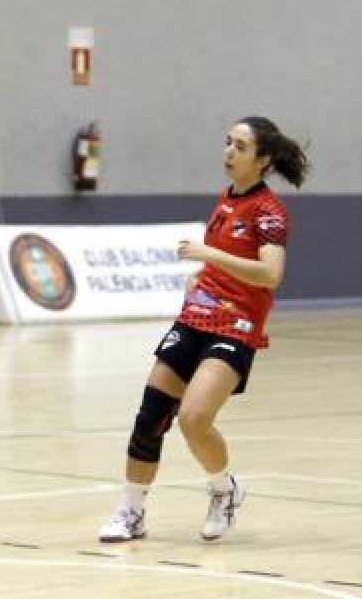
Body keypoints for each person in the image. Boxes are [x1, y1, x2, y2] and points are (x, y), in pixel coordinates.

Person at [98, 117, 309, 543]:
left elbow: (270, 274)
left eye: (241, 147)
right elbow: (228, 260)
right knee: (151, 415)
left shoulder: (270, 212)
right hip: (196, 315)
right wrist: (204, 272)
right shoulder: (226, 198)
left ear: (263, 159)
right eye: (227, 143)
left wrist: (210, 253)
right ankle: (132, 510)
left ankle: (224, 490)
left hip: (237, 326)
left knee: (195, 418)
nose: (229, 152)